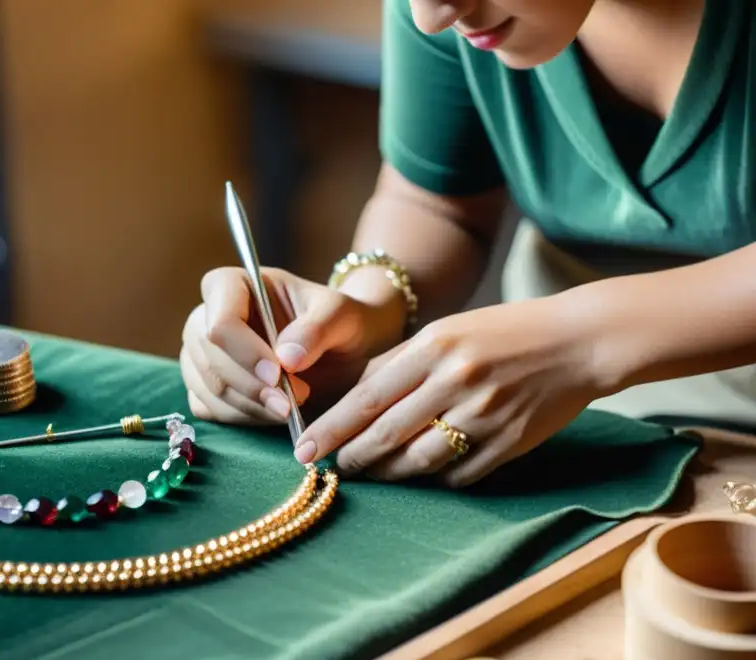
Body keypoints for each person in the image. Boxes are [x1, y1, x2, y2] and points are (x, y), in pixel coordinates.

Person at [180, 0, 756, 486]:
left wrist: (584, 342)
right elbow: (436, 202)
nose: (431, 18)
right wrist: (366, 306)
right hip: (568, 431)